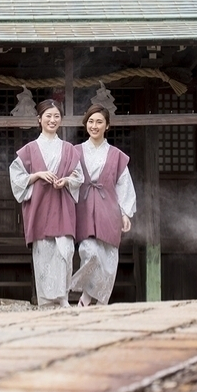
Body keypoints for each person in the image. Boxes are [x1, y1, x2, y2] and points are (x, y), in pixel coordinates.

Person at [9, 99, 84, 307]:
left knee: (65, 251)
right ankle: (45, 301)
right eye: (48, 116)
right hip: (40, 207)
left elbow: (78, 176)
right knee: (44, 253)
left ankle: (62, 297)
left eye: (56, 116)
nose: (52, 120)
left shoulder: (69, 149)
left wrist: (66, 180)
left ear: (61, 119)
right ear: (39, 119)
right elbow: (16, 177)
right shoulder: (29, 150)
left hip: (62, 206)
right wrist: (37, 175)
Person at [70, 104, 137, 306]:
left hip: (109, 210)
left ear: (107, 126)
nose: (94, 125)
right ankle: (86, 297)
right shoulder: (75, 152)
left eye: (99, 122)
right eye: (91, 121)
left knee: (109, 258)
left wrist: (125, 213)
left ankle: (100, 303)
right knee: (89, 252)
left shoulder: (116, 155)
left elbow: (124, 185)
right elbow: (69, 180)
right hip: (84, 208)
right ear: (86, 124)